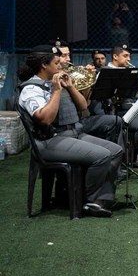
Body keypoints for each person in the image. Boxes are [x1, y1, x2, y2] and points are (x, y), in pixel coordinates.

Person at [17, 45, 123, 217]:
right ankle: (88, 200)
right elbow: (45, 119)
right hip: (48, 141)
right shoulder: (32, 89)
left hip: (72, 133)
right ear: (44, 65)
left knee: (116, 151)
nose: (61, 66)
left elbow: (82, 106)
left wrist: (70, 86)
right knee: (102, 155)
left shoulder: (56, 81)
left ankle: (94, 197)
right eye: (57, 63)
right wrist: (57, 90)